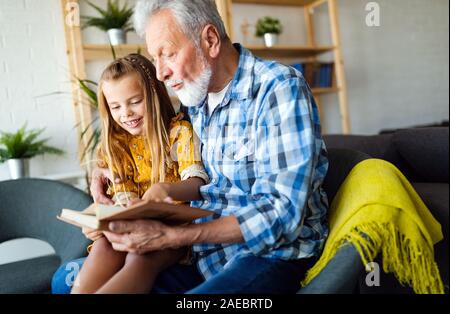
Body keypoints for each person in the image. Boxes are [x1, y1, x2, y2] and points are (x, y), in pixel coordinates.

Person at [52, 0, 329, 294]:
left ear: (209, 40)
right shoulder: (194, 103)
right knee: (64, 281)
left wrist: (171, 237)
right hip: (202, 255)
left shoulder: (278, 89)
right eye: (154, 58)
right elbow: (153, 146)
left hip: (266, 255)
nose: (160, 74)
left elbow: (281, 214)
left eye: (167, 54)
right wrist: (103, 173)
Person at [69, 53, 209, 294]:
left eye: (135, 101)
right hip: (131, 224)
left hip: (174, 229)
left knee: (139, 257)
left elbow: (196, 183)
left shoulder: (179, 133)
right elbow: (123, 195)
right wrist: (104, 221)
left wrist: (165, 189)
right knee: (102, 246)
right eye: (115, 106)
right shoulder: (116, 143)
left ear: (154, 94)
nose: (126, 113)